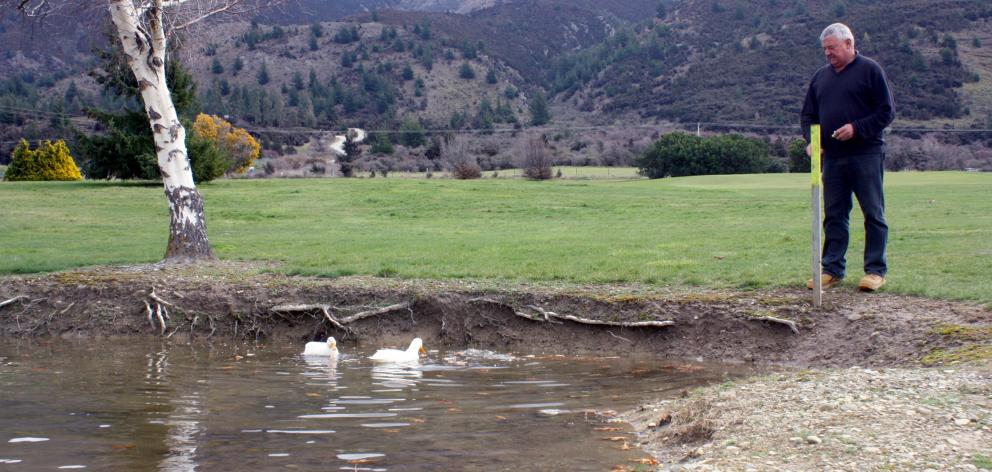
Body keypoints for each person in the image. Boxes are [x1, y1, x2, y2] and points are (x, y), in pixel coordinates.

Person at [801, 23, 895, 292]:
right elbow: (808, 116)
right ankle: (831, 269)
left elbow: (886, 112)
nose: (828, 53)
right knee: (834, 214)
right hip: (832, 159)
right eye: (825, 49)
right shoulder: (820, 77)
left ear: (849, 43)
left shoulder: (870, 70)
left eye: (832, 48)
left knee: (873, 213)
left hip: (866, 154)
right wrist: (812, 142)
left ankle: (875, 271)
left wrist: (856, 128)